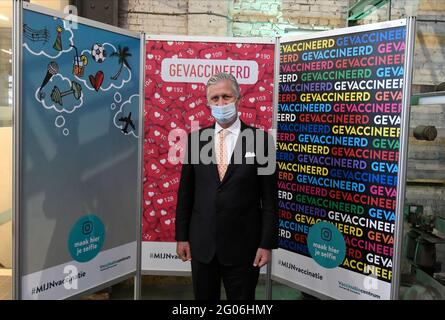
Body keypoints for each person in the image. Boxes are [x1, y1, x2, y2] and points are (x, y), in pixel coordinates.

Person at [175, 72, 278, 300]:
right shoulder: (195, 140)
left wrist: (266, 244)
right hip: (203, 246)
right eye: (215, 98)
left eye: (226, 97)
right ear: (207, 103)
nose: (221, 103)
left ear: (238, 99)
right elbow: (186, 194)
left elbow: (270, 199)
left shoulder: (261, 141)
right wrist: (182, 237)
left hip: (245, 248)